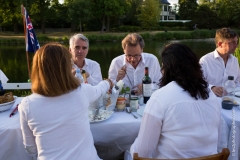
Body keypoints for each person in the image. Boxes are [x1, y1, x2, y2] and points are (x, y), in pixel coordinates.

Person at [18, 43, 113, 160]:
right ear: (67, 67)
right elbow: (99, 90)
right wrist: (108, 82)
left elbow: (31, 148)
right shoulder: (81, 91)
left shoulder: (27, 104)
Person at [130, 43, 221, 159]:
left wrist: (131, 147)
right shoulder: (210, 95)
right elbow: (219, 141)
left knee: (131, 152)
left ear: (166, 69)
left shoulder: (160, 97)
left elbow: (142, 153)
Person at [200, 28, 240, 97]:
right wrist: (212, 88)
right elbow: (198, 82)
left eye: (236, 42)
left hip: (231, 100)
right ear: (220, 44)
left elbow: (237, 82)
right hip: (211, 99)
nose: (236, 46)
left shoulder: (234, 61)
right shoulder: (205, 61)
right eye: (232, 42)